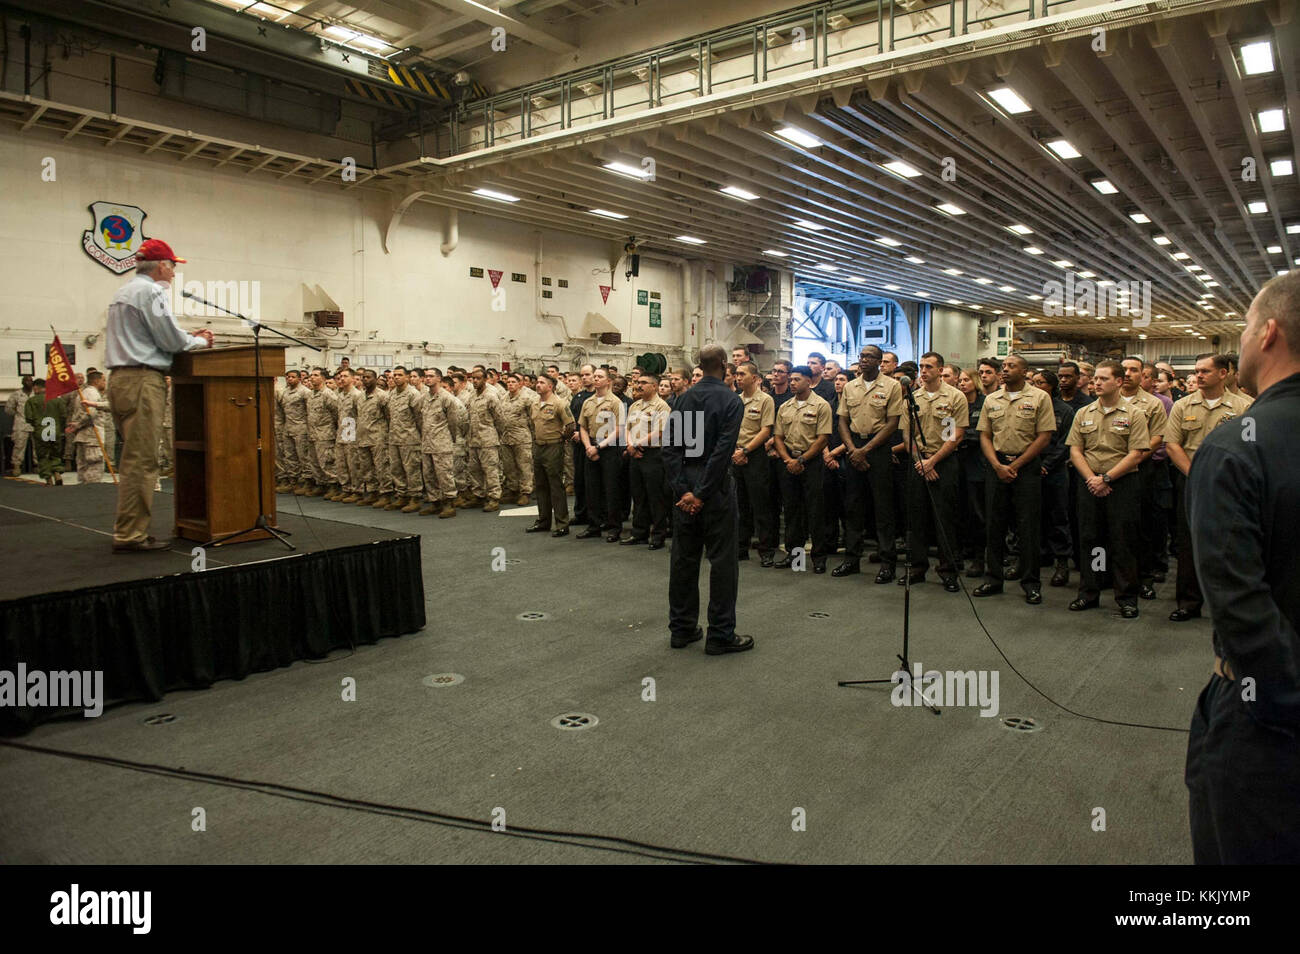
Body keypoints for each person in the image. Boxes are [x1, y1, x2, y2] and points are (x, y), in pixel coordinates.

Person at [1184, 271, 1300, 863]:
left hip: (1266, 724)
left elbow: (1241, 608)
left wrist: (1284, 704)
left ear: (1269, 333)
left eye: (1247, 325)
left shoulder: (1237, 445)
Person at [104, 238, 214, 551]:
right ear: (162, 266)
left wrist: (186, 337)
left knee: (133, 460)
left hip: (121, 380)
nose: (175, 273)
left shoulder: (123, 292)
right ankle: (129, 535)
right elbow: (170, 340)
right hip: (142, 380)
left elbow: (153, 336)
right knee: (141, 462)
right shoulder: (152, 291)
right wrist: (200, 342)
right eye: (174, 266)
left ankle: (129, 529)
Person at [663, 344, 750, 654]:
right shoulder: (730, 400)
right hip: (715, 491)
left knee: (684, 561)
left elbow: (671, 449)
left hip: (686, 485)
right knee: (723, 563)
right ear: (725, 364)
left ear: (700, 364)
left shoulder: (684, 399)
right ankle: (720, 634)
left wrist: (684, 491)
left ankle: (682, 629)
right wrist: (701, 494)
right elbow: (721, 453)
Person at [1163, 354, 1254, 621]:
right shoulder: (1182, 405)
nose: (1199, 375)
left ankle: (1230, 605)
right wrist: (1196, 474)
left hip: (1230, 483)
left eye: (1205, 371)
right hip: (1190, 480)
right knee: (1189, 544)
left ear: (1224, 373)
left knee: (1230, 544)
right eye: (1196, 371)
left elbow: (1250, 447)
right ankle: (1188, 603)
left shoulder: (1244, 407)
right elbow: (1172, 444)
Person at [1065, 361, 1149, 618]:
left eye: (1103, 379)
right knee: (1092, 540)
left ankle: (1126, 597)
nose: (1096, 383)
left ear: (1119, 382)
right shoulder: (1084, 412)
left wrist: (1107, 479)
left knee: (1122, 540)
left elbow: (1136, 453)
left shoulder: (1133, 414)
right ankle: (1090, 592)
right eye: (1095, 379)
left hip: (1121, 484)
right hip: (1090, 483)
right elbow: (1075, 450)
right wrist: (1093, 478)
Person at [974, 354, 1056, 604]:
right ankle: (993, 578)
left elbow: (1044, 436)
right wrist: (997, 465)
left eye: (1012, 366)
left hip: (1027, 467)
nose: (1005, 370)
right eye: (1004, 367)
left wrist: (1016, 465)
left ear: (1024, 371)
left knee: (1028, 527)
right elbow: (985, 435)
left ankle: (1031, 583)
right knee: (994, 525)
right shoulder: (992, 399)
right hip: (997, 465)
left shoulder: (1039, 397)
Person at [898, 351, 967, 591]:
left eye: (929, 366)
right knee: (916, 518)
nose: (924, 370)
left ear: (940, 370)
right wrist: (921, 462)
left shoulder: (954, 397)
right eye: (921, 366)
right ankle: (917, 568)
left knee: (945, 519)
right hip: (918, 462)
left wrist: (933, 461)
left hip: (943, 463)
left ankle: (948, 571)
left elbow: (955, 436)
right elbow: (907, 435)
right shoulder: (912, 397)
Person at [834, 345, 903, 583]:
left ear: (879, 361)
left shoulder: (892, 386)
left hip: (878, 450)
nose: (863, 360)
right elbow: (842, 420)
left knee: (883, 509)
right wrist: (853, 450)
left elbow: (892, 422)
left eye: (869, 357)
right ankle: (851, 560)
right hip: (854, 449)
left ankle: (887, 563)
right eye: (861, 356)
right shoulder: (851, 387)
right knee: (853, 507)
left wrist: (866, 450)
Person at [773, 366, 834, 573]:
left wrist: (801, 460)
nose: (792, 383)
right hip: (789, 460)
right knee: (792, 511)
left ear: (809, 381)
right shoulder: (785, 407)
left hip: (811, 462)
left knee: (815, 511)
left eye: (797, 379)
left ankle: (819, 558)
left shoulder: (821, 405)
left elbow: (823, 437)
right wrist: (788, 460)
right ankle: (795, 557)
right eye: (791, 379)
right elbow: (778, 437)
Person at [1120, 356, 1168, 600]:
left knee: (1143, 527)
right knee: (1113, 529)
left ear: (1143, 375)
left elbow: (1158, 437)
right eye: (1124, 369)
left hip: (1142, 470)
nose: (1127, 374)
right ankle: (1111, 576)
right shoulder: (1105, 398)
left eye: (1133, 370)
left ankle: (1145, 578)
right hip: (1111, 472)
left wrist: (1133, 459)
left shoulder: (1152, 404)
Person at [1031, 369, 1075, 587]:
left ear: (1051, 386)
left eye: (1041, 383)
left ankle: (1062, 563)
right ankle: (1036, 557)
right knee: (1033, 516)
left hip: (1054, 470)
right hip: (1030, 468)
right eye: (1034, 382)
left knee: (1058, 517)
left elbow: (1066, 443)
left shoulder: (1065, 411)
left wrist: (1046, 465)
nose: (1036, 386)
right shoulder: (1030, 407)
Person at [731, 362, 776, 566]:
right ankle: (741, 547)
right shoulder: (735, 400)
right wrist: (735, 451)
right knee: (740, 505)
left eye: (742, 374)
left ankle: (766, 550)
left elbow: (766, 430)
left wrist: (746, 450)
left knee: (760, 506)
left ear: (755, 377)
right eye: (737, 374)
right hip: (735, 455)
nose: (738, 378)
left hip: (755, 455)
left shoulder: (765, 400)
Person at [622, 372, 672, 548]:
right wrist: (630, 446)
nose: (639, 385)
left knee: (655, 496)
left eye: (644, 382)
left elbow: (660, 431)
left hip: (653, 455)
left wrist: (635, 444)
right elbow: (627, 428)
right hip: (635, 454)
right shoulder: (634, 405)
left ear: (655, 386)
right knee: (638, 496)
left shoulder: (661, 406)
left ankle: (658, 535)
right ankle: (639, 533)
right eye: (638, 382)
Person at [577, 368, 625, 540]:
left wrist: (599, 447)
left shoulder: (615, 402)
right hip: (590, 446)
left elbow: (619, 429)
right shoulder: (587, 402)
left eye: (600, 377)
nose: (596, 379)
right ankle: (594, 525)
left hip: (609, 448)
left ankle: (614, 527)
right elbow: (582, 426)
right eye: (594, 376)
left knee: (611, 489)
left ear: (608, 381)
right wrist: (589, 446)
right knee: (592, 489)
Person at [526, 373, 575, 536]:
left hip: (553, 446)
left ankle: (562, 523)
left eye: (542, 383)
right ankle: (543, 521)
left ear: (550, 386)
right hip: (538, 447)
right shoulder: (534, 403)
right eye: (537, 382)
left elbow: (570, 425)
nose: (537, 385)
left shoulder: (560, 403)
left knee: (555, 486)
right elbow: (532, 424)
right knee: (540, 485)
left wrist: (563, 439)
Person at [417, 368, 463, 517]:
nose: (427, 379)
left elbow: (453, 422)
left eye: (431, 376)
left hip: (441, 443)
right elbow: (419, 420)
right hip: (427, 442)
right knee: (428, 475)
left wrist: (450, 439)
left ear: (439, 379)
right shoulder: (424, 398)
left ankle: (449, 503)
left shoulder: (446, 398)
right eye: (426, 377)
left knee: (444, 474)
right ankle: (435, 502)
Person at [956, 368, 987, 577]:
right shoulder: (956, 402)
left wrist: (962, 437)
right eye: (960, 380)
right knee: (959, 510)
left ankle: (979, 557)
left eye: (966, 380)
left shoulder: (985, 403)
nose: (962, 383)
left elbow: (981, 433)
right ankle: (960, 551)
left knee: (978, 513)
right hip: (957, 461)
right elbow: (948, 431)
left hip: (977, 464)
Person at [465, 367, 509, 512]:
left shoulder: (491, 396)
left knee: (490, 470)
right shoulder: (472, 396)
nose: (475, 381)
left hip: (488, 440)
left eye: (478, 378)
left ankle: (494, 498)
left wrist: (497, 435)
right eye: (473, 378)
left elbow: (500, 419)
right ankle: (479, 496)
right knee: (474, 470)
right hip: (473, 439)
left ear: (485, 380)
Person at [385, 366, 424, 512]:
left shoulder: (413, 394)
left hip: (409, 439)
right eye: (394, 375)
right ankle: (402, 495)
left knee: (411, 469)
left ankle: (415, 497)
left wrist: (418, 436)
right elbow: (389, 415)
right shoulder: (392, 394)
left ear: (407, 377)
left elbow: (419, 418)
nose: (396, 377)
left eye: (400, 375)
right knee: (396, 468)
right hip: (394, 437)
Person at [355, 369, 391, 508]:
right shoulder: (359, 396)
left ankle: (385, 493)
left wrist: (386, 436)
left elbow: (389, 417)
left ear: (375, 379)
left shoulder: (382, 396)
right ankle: (372, 491)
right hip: (363, 436)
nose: (365, 379)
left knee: (381, 467)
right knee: (366, 467)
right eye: (363, 377)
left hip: (378, 437)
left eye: (368, 377)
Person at [499, 372, 537, 506]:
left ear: (520, 384)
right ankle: (512, 490)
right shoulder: (503, 398)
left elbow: (533, 419)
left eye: (513, 382)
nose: (510, 384)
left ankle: (525, 492)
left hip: (522, 437)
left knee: (524, 466)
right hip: (506, 437)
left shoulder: (527, 398)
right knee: (509, 467)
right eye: (508, 382)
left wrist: (534, 436)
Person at [66, 370, 108, 485]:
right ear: (96, 381)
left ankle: (83, 492)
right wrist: (79, 424)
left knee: (83, 467)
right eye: (103, 380)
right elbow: (91, 413)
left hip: (82, 436)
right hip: (92, 436)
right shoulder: (92, 393)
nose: (105, 383)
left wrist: (77, 425)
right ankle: (92, 492)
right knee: (94, 468)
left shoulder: (82, 392)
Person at [303, 367, 340, 498]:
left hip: (325, 433)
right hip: (312, 433)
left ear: (323, 378)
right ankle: (320, 484)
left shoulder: (328, 394)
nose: (312, 377)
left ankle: (333, 486)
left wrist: (331, 429)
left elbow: (337, 413)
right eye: (311, 375)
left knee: (327, 462)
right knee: (314, 462)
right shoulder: (310, 394)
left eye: (316, 375)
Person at [24, 379, 64, 484]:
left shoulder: (31, 401)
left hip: (41, 432)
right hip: (55, 431)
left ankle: (48, 478)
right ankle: (57, 473)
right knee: (55, 454)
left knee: (43, 456)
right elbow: (63, 415)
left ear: (36, 388)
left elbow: (29, 418)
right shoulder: (58, 400)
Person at [278, 370, 309, 494]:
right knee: (290, 456)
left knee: (303, 457)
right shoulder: (285, 392)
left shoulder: (305, 392)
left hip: (301, 428)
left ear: (299, 379)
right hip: (288, 427)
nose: (290, 379)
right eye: (288, 377)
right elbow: (282, 410)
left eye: (293, 377)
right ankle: (293, 482)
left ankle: (307, 482)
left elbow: (310, 409)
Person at [7, 375, 34, 475]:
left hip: (35, 424)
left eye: (31, 381)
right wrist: (19, 415)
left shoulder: (36, 394)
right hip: (21, 423)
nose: (29, 382)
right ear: (22, 382)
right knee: (19, 446)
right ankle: (16, 466)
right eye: (26, 381)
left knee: (39, 446)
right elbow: (9, 409)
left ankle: (38, 465)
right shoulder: (16, 394)